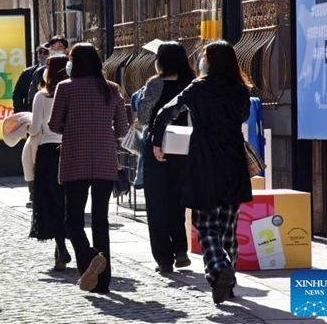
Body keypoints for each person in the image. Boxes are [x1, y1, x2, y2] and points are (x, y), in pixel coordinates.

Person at [151, 40, 252, 304]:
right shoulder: (240, 90)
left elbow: (165, 112)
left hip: (205, 162)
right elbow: (242, 117)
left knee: (205, 225)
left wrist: (157, 141)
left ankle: (219, 270)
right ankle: (227, 284)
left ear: (210, 62)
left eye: (205, 57)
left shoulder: (198, 88)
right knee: (228, 228)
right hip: (233, 162)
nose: (202, 61)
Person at [48, 43, 128, 293]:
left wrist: (74, 127)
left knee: (73, 221)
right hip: (104, 160)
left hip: (75, 159)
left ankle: (89, 255)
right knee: (101, 221)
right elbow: (123, 130)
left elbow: (54, 125)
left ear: (76, 63)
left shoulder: (65, 88)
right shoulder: (112, 90)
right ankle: (103, 281)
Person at [136, 42, 195, 274]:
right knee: (178, 199)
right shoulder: (191, 83)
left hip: (158, 146)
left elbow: (142, 117)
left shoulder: (155, 83)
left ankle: (164, 258)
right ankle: (181, 249)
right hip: (185, 145)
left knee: (157, 202)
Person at [28, 55, 70, 271]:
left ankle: (61, 246)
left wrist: (25, 126)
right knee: (67, 200)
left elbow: (35, 129)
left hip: (47, 152)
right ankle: (63, 247)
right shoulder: (72, 92)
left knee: (51, 199)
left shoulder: (41, 97)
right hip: (70, 150)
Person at [15, 44, 49, 208]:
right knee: (31, 159)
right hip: (34, 123)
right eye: (40, 52)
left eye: (45, 52)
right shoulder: (30, 73)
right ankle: (33, 194)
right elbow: (18, 95)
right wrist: (23, 117)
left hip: (47, 130)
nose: (42, 55)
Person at [28, 35, 68, 109]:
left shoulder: (71, 70)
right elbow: (32, 97)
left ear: (66, 50)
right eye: (53, 48)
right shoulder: (39, 72)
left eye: (59, 48)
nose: (55, 51)